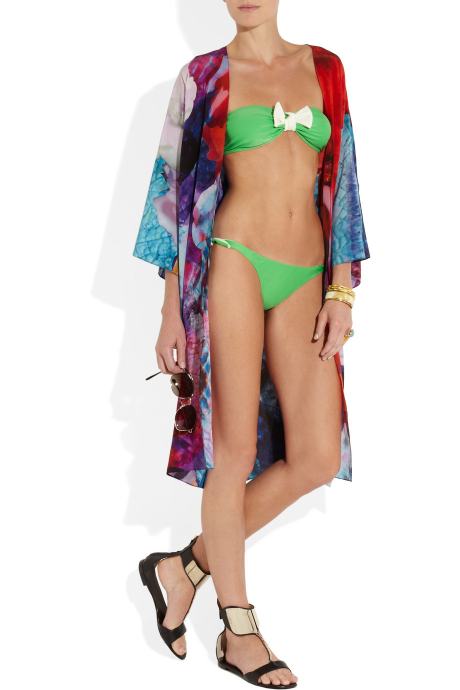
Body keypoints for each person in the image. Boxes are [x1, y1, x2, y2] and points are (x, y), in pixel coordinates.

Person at [134, 1, 370, 687]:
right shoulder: (203, 76)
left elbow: (343, 183)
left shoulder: (325, 69)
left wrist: (341, 291)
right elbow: (171, 195)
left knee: (317, 456)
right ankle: (239, 631)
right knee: (232, 453)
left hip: (307, 273)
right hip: (233, 259)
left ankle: (184, 567)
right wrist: (171, 312)